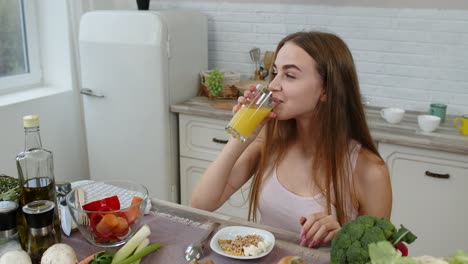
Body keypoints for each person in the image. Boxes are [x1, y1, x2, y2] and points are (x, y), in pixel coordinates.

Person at [191, 31, 392, 248]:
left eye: (290, 75)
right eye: (275, 72)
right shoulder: (269, 139)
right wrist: (240, 137)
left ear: (326, 90)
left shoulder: (369, 171)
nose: (273, 85)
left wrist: (342, 237)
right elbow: (201, 204)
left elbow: (380, 256)